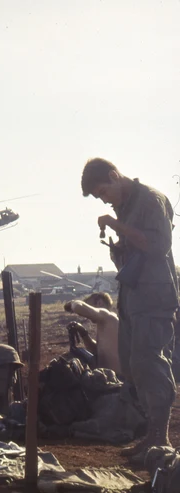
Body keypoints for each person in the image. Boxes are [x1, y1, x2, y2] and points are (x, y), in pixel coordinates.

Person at [81, 158, 179, 463]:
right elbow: (137, 249)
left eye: (103, 192)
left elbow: (158, 245)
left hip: (154, 298)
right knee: (135, 364)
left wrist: (114, 224)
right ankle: (152, 435)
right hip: (135, 299)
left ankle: (159, 438)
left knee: (150, 360)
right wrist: (118, 252)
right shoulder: (125, 206)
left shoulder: (151, 199)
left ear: (114, 175)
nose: (104, 200)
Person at [65, 292, 120, 373]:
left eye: (89, 306)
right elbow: (96, 350)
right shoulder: (105, 323)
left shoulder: (107, 315)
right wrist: (84, 333)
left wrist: (73, 302)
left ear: (99, 303)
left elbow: (79, 307)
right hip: (108, 376)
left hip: (117, 378)